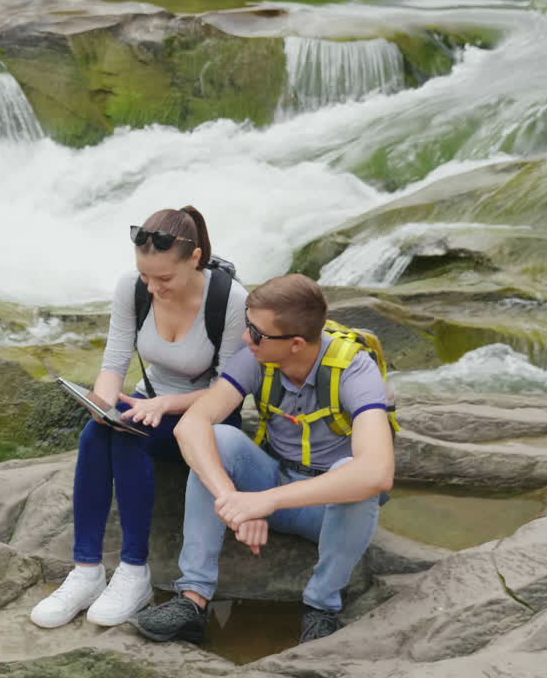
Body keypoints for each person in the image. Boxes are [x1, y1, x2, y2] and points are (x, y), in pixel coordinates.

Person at [131, 273, 394, 644]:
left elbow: (378, 473)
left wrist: (263, 502)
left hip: (326, 508)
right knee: (219, 437)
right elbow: (190, 426)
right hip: (272, 480)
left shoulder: (355, 370)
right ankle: (192, 600)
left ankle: (322, 608)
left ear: (296, 344)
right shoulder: (257, 357)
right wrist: (232, 500)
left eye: (256, 333)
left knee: (355, 475)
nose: (245, 338)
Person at [30, 206, 249, 629]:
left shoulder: (230, 299)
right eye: (146, 276)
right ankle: (87, 571)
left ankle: (134, 572)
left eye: (164, 279)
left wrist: (163, 406)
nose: (153, 287)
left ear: (195, 258)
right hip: (147, 405)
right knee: (98, 434)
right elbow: (114, 362)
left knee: (132, 436)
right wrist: (105, 405)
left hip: (204, 418)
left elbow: (230, 389)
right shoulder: (133, 288)